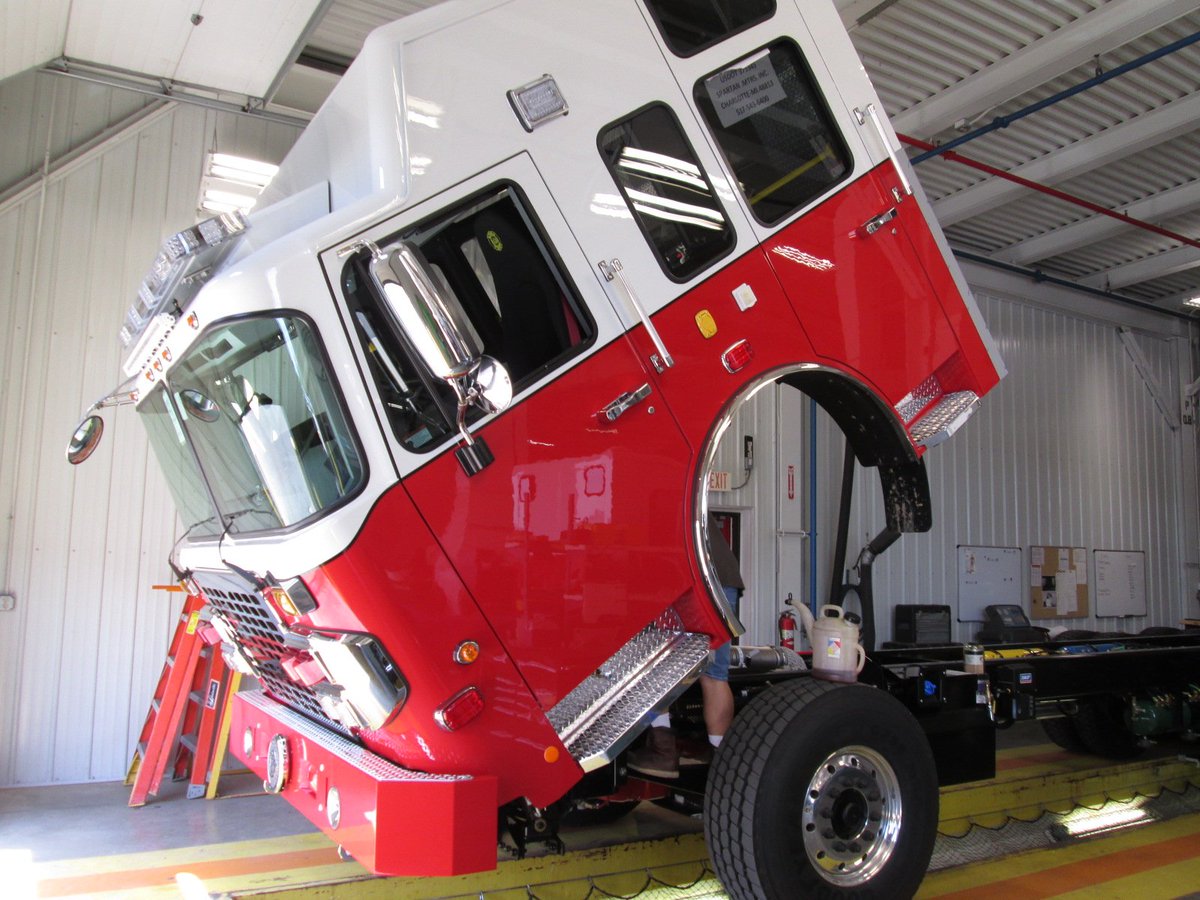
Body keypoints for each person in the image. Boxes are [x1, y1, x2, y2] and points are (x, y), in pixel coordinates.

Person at [628, 513, 744, 777]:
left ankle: (663, 751)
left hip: (688, 577)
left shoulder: (649, 491)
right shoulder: (682, 484)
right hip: (722, 578)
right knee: (715, 675)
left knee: (656, 668)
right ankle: (719, 757)